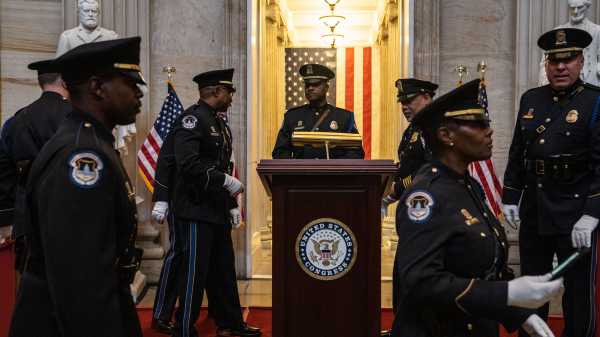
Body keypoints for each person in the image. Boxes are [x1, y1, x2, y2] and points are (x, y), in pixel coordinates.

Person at [392, 79, 564, 337]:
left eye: (487, 123)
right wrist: (508, 294)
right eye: (477, 124)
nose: (489, 131)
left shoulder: (468, 185)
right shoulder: (426, 196)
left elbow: (484, 268)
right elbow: (420, 282)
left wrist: (517, 311)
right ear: (446, 135)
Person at [9, 36, 145, 337]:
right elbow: (79, 278)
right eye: (129, 82)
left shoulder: (91, 142)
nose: (139, 92)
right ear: (97, 87)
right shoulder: (81, 157)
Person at [503, 27, 600, 337]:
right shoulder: (531, 99)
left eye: (568, 59)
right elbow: (519, 151)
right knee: (533, 286)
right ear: (546, 64)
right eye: (554, 60)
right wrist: (510, 195)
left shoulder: (595, 102)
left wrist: (592, 213)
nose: (560, 67)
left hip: (577, 212)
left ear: (581, 61)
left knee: (578, 290)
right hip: (536, 207)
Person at [171, 69, 259, 337]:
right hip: (196, 209)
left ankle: (230, 324)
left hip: (216, 208)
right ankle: (184, 328)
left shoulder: (218, 123)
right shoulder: (192, 120)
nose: (231, 97)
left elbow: (221, 164)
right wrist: (226, 182)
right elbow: (188, 164)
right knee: (195, 273)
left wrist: (231, 203)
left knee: (223, 270)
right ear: (215, 92)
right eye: (228, 92)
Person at [0, 60, 71, 271]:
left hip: (27, 219)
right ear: (65, 82)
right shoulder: (77, 117)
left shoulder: (16, 120)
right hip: (71, 216)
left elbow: (4, 171)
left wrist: (6, 218)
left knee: (33, 287)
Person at [272, 63, 365, 159]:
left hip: (334, 173)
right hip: (301, 173)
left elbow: (356, 153)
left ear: (326, 87)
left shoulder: (344, 117)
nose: (310, 88)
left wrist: (335, 168)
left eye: (315, 84)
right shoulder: (292, 117)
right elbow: (280, 152)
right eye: (307, 85)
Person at [381, 78, 438, 216]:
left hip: (432, 201)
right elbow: (408, 163)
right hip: (415, 200)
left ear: (426, 97)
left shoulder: (435, 126)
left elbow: (432, 168)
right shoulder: (413, 128)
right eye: (402, 103)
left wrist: (397, 188)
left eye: (409, 101)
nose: (404, 107)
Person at [538, 0, 600, 86]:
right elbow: (546, 60)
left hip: (590, 81)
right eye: (572, 8)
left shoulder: (597, 30)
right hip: (561, 82)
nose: (575, 11)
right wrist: (544, 83)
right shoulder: (558, 32)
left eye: (579, 8)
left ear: (587, 7)